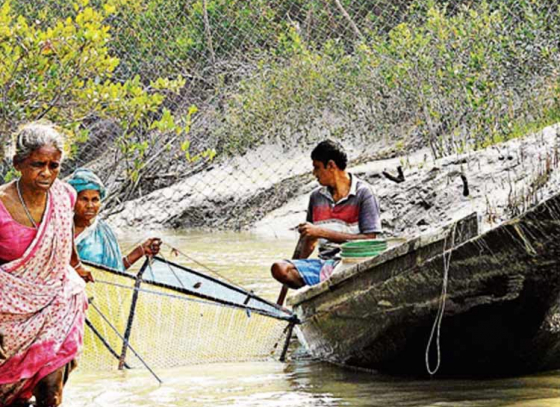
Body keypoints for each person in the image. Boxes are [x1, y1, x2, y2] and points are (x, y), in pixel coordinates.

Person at [0, 122, 91, 407]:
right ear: (18, 163)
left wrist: (77, 268)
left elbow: (64, 238)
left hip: (56, 304)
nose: (47, 173)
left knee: (50, 395)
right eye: (38, 164)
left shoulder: (65, 196)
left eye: (54, 165)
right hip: (8, 315)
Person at [271, 140, 381, 289]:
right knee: (280, 269)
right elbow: (311, 241)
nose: (314, 173)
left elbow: (370, 239)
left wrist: (322, 232)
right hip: (324, 264)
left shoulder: (364, 193)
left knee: (342, 272)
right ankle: (319, 288)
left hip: (354, 263)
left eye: (317, 167)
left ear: (331, 165)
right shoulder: (316, 197)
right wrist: (296, 265)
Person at [67, 168, 161, 272]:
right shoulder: (60, 227)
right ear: (73, 200)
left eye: (95, 200)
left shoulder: (104, 232)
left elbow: (114, 272)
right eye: (84, 199)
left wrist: (140, 251)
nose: (90, 206)